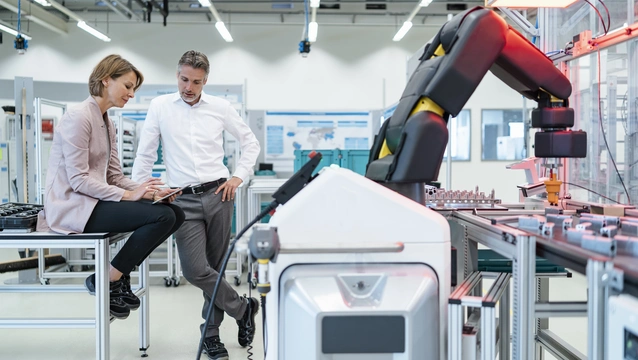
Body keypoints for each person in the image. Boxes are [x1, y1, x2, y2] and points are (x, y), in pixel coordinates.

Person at [132, 50, 261, 360]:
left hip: (219, 195)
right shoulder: (160, 106)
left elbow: (250, 143)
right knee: (195, 269)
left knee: (214, 268)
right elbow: (145, 154)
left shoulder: (220, 107)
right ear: (177, 74)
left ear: (206, 81)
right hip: (181, 199)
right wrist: (144, 189)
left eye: (196, 82)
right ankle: (244, 309)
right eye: (184, 79)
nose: (188, 87)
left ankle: (211, 335)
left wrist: (237, 177)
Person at [36, 54, 186, 320]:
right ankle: (109, 279)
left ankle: (113, 276)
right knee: (161, 216)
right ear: (106, 80)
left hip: (94, 202)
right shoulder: (78, 117)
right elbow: (79, 180)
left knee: (175, 214)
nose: (131, 94)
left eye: (133, 89)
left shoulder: (107, 122)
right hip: (72, 206)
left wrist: (149, 192)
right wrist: (130, 195)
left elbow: (115, 176)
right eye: (127, 86)